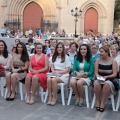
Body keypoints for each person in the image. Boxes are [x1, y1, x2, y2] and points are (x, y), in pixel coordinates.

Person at [94, 45, 118, 112]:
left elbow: (114, 74)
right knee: (96, 84)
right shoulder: (98, 60)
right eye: (100, 52)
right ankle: (98, 100)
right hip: (99, 77)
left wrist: (106, 77)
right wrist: (99, 76)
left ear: (107, 52)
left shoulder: (113, 61)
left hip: (110, 78)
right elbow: (96, 72)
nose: (100, 53)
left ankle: (103, 102)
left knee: (107, 84)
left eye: (102, 52)